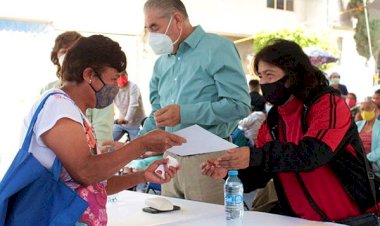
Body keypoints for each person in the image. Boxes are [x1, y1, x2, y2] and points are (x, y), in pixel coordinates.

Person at [201, 39, 380, 222]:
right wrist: (229, 172)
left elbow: (313, 154)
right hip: (299, 221)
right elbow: (261, 173)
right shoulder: (272, 123)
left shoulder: (327, 104)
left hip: (351, 219)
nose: (264, 83)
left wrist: (254, 155)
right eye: (261, 76)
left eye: (270, 75)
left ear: (293, 75)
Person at [19, 35, 186, 225]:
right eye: (113, 79)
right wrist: (142, 144)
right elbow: (86, 172)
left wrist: (141, 175)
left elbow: (94, 184)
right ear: (89, 75)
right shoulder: (58, 108)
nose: (115, 86)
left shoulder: (73, 111)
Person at [141, 0, 251, 204]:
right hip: (171, 158)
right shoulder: (162, 63)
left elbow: (239, 104)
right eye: (147, 29)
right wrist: (133, 146)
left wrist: (185, 113)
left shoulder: (217, 48)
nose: (151, 35)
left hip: (209, 159)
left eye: (154, 27)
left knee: (209, 221)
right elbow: (157, 114)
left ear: (177, 19)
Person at [40, 31, 115, 148]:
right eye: (64, 51)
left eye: (73, 51)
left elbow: (102, 135)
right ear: (56, 56)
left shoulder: (99, 90)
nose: (69, 56)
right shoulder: (48, 90)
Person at [113, 70, 146, 141]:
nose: (121, 78)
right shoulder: (113, 88)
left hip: (135, 123)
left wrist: (126, 120)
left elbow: (133, 105)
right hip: (121, 122)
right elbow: (108, 104)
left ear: (127, 75)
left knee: (136, 147)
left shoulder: (133, 87)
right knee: (109, 141)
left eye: (123, 75)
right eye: (119, 76)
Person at [356, 98, 380, 177]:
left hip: (374, 163)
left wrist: (365, 159)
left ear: (376, 110)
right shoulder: (357, 125)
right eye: (362, 109)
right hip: (357, 160)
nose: (365, 111)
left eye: (368, 108)